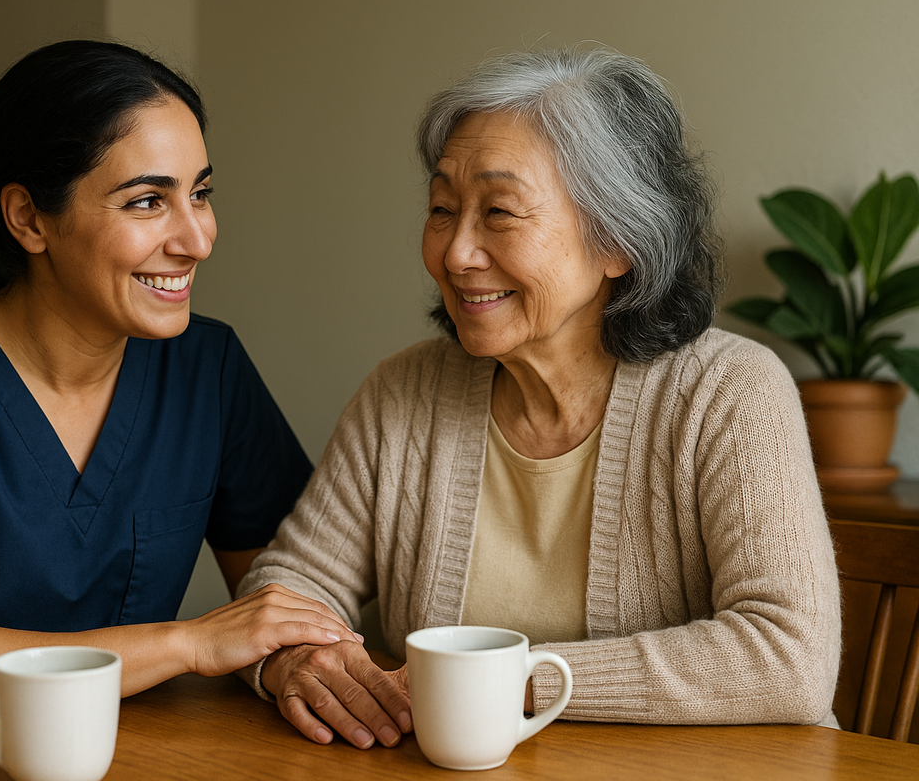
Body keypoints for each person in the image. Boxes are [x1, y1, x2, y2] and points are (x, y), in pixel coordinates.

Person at [237, 47, 842, 749]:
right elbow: (288, 584)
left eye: (499, 211)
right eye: (442, 209)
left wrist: (506, 682)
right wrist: (295, 660)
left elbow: (788, 657)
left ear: (617, 239)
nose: (455, 253)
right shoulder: (404, 392)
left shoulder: (729, 392)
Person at [0, 40, 357, 729]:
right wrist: (190, 643)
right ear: (29, 218)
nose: (198, 239)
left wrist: (295, 659)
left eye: (200, 194)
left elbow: (289, 586)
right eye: (147, 201)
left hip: (100, 751)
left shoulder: (207, 369)